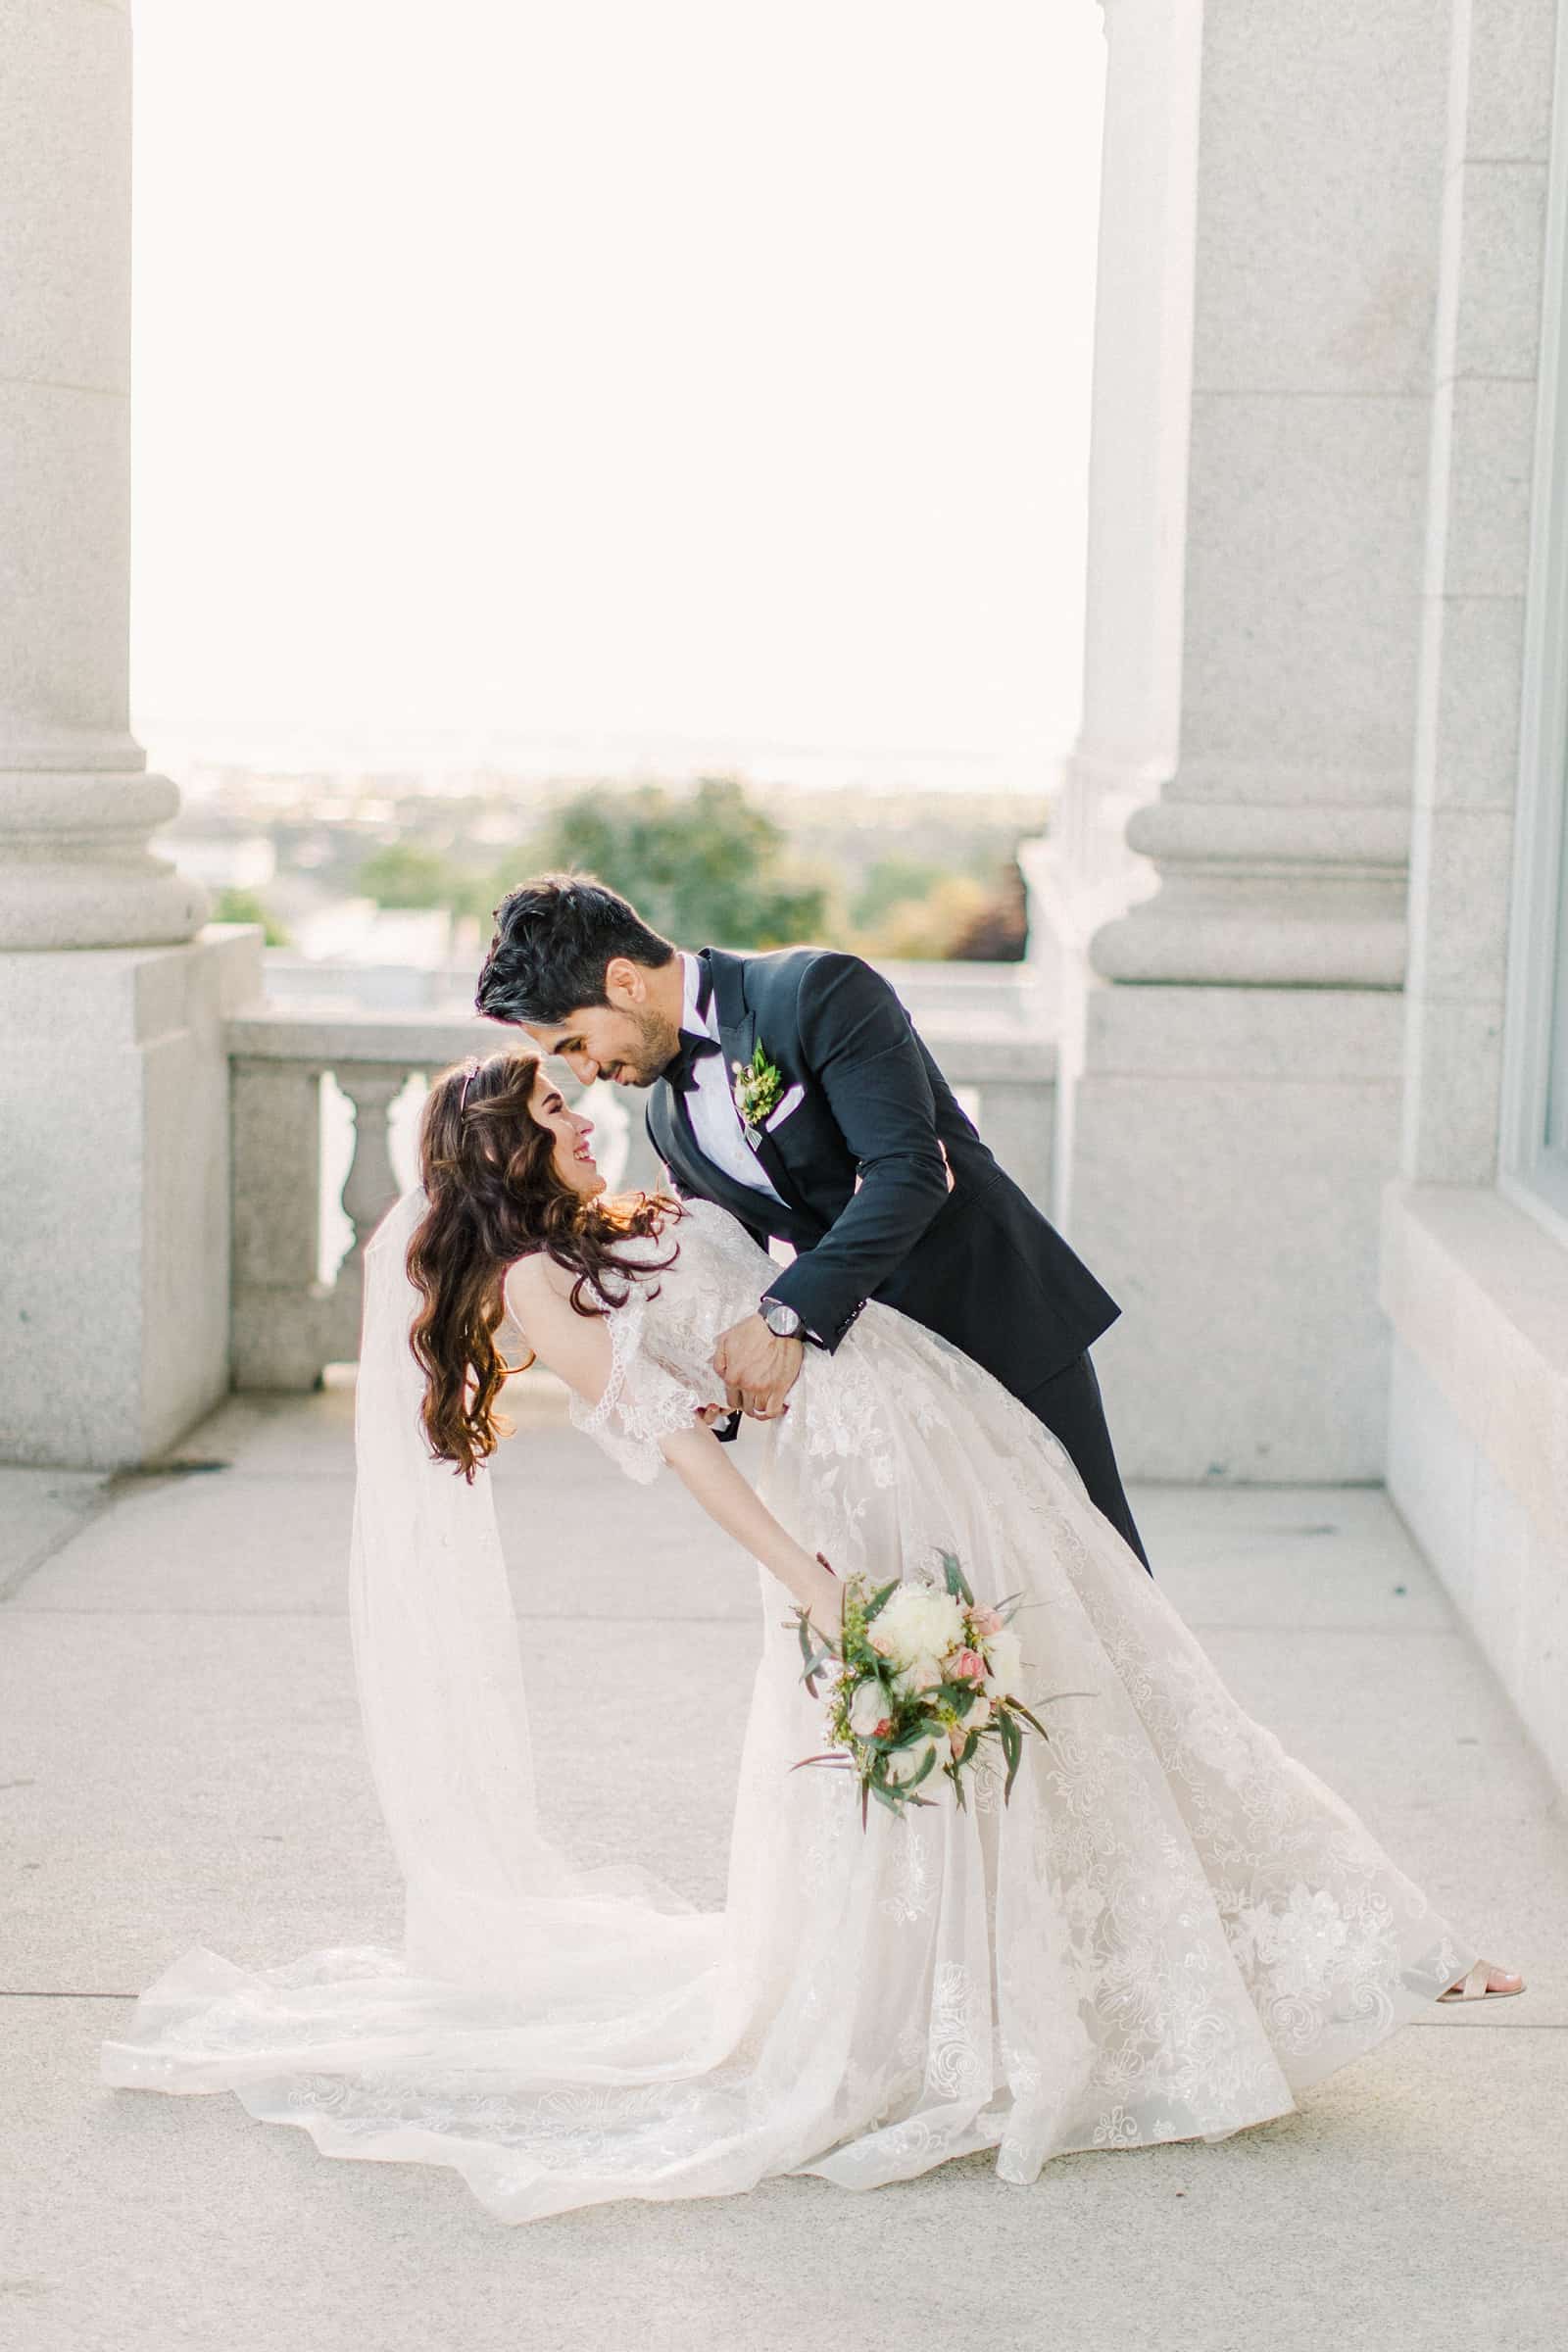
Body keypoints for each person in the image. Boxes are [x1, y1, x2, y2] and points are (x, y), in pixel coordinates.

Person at [99, 1047, 1524, 2228]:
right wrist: (810, 1580)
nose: (584, 1114)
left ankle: (1345, 1940)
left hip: (927, 1417)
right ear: (500, 1150)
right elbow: (675, 1441)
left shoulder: (607, 1221)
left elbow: (719, 1360)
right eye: (552, 1110)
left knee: (1119, 1670)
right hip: (855, 1483)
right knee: (983, 1715)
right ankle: (988, 2015)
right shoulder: (534, 1280)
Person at [472, 873, 1153, 1574]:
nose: (585, 1072)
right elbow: (733, 1263)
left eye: (575, 1042)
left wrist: (786, 1319)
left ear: (625, 982)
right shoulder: (668, 1121)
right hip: (884, 1398)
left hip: (998, 1325)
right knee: (963, 1622)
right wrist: (717, 1388)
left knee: (1099, 1579)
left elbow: (910, 1170)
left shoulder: (816, 992)